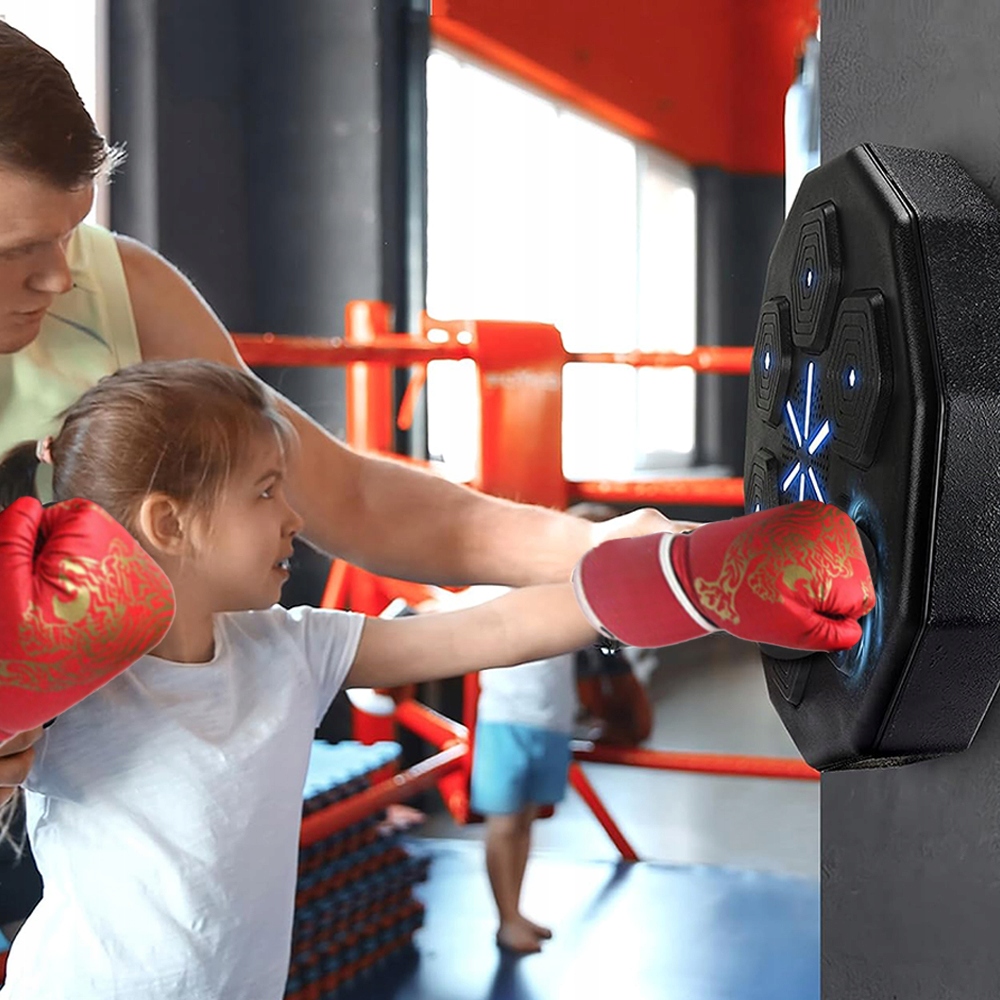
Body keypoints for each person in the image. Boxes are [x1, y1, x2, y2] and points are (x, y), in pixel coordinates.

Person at [0, 19, 675, 930]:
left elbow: (347, 494)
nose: (54, 279)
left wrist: (602, 552)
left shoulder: (118, 291)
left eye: (68, 235)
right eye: (15, 252)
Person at [0, 359, 874, 997]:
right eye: (265, 492)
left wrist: (685, 579)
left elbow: (492, 626)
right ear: (169, 524)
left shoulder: (293, 649)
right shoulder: (78, 693)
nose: (295, 518)